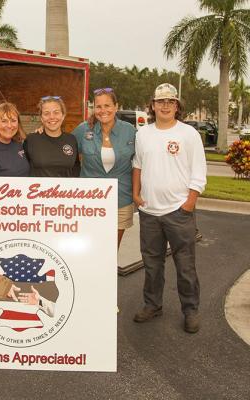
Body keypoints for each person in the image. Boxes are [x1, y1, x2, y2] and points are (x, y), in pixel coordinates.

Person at [132, 83, 207, 334]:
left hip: (178, 211)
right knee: (152, 264)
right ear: (152, 105)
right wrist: (136, 193)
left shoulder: (188, 134)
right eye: (160, 101)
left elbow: (199, 171)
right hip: (150, 212)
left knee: (185, 266)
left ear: (177, 106)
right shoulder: (143, 133)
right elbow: (138, 165)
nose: (165, 105)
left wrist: (189, 203)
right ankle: (153, 305)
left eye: (170, 102)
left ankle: (191, 310)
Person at [73, 88, 136, 248]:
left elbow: (142, 162)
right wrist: (41, 133)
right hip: (89, 202)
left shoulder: (129, 131)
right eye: (98, 106)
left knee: (110, 252)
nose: (103, 110)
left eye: (107, 105)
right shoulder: (83, 130)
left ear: (116, 106)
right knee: (88, 248)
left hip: (121, 200)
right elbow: (63, 148)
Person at [23, 96, 80, 177]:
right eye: (46, 113)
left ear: (63, 116)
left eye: (56, 112)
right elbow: (23, 169)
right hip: (38, 189)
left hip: (65, 189)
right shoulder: (31, 140)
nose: (52, 117)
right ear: (41, 118)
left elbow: (76, 168)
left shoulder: (71, 139)